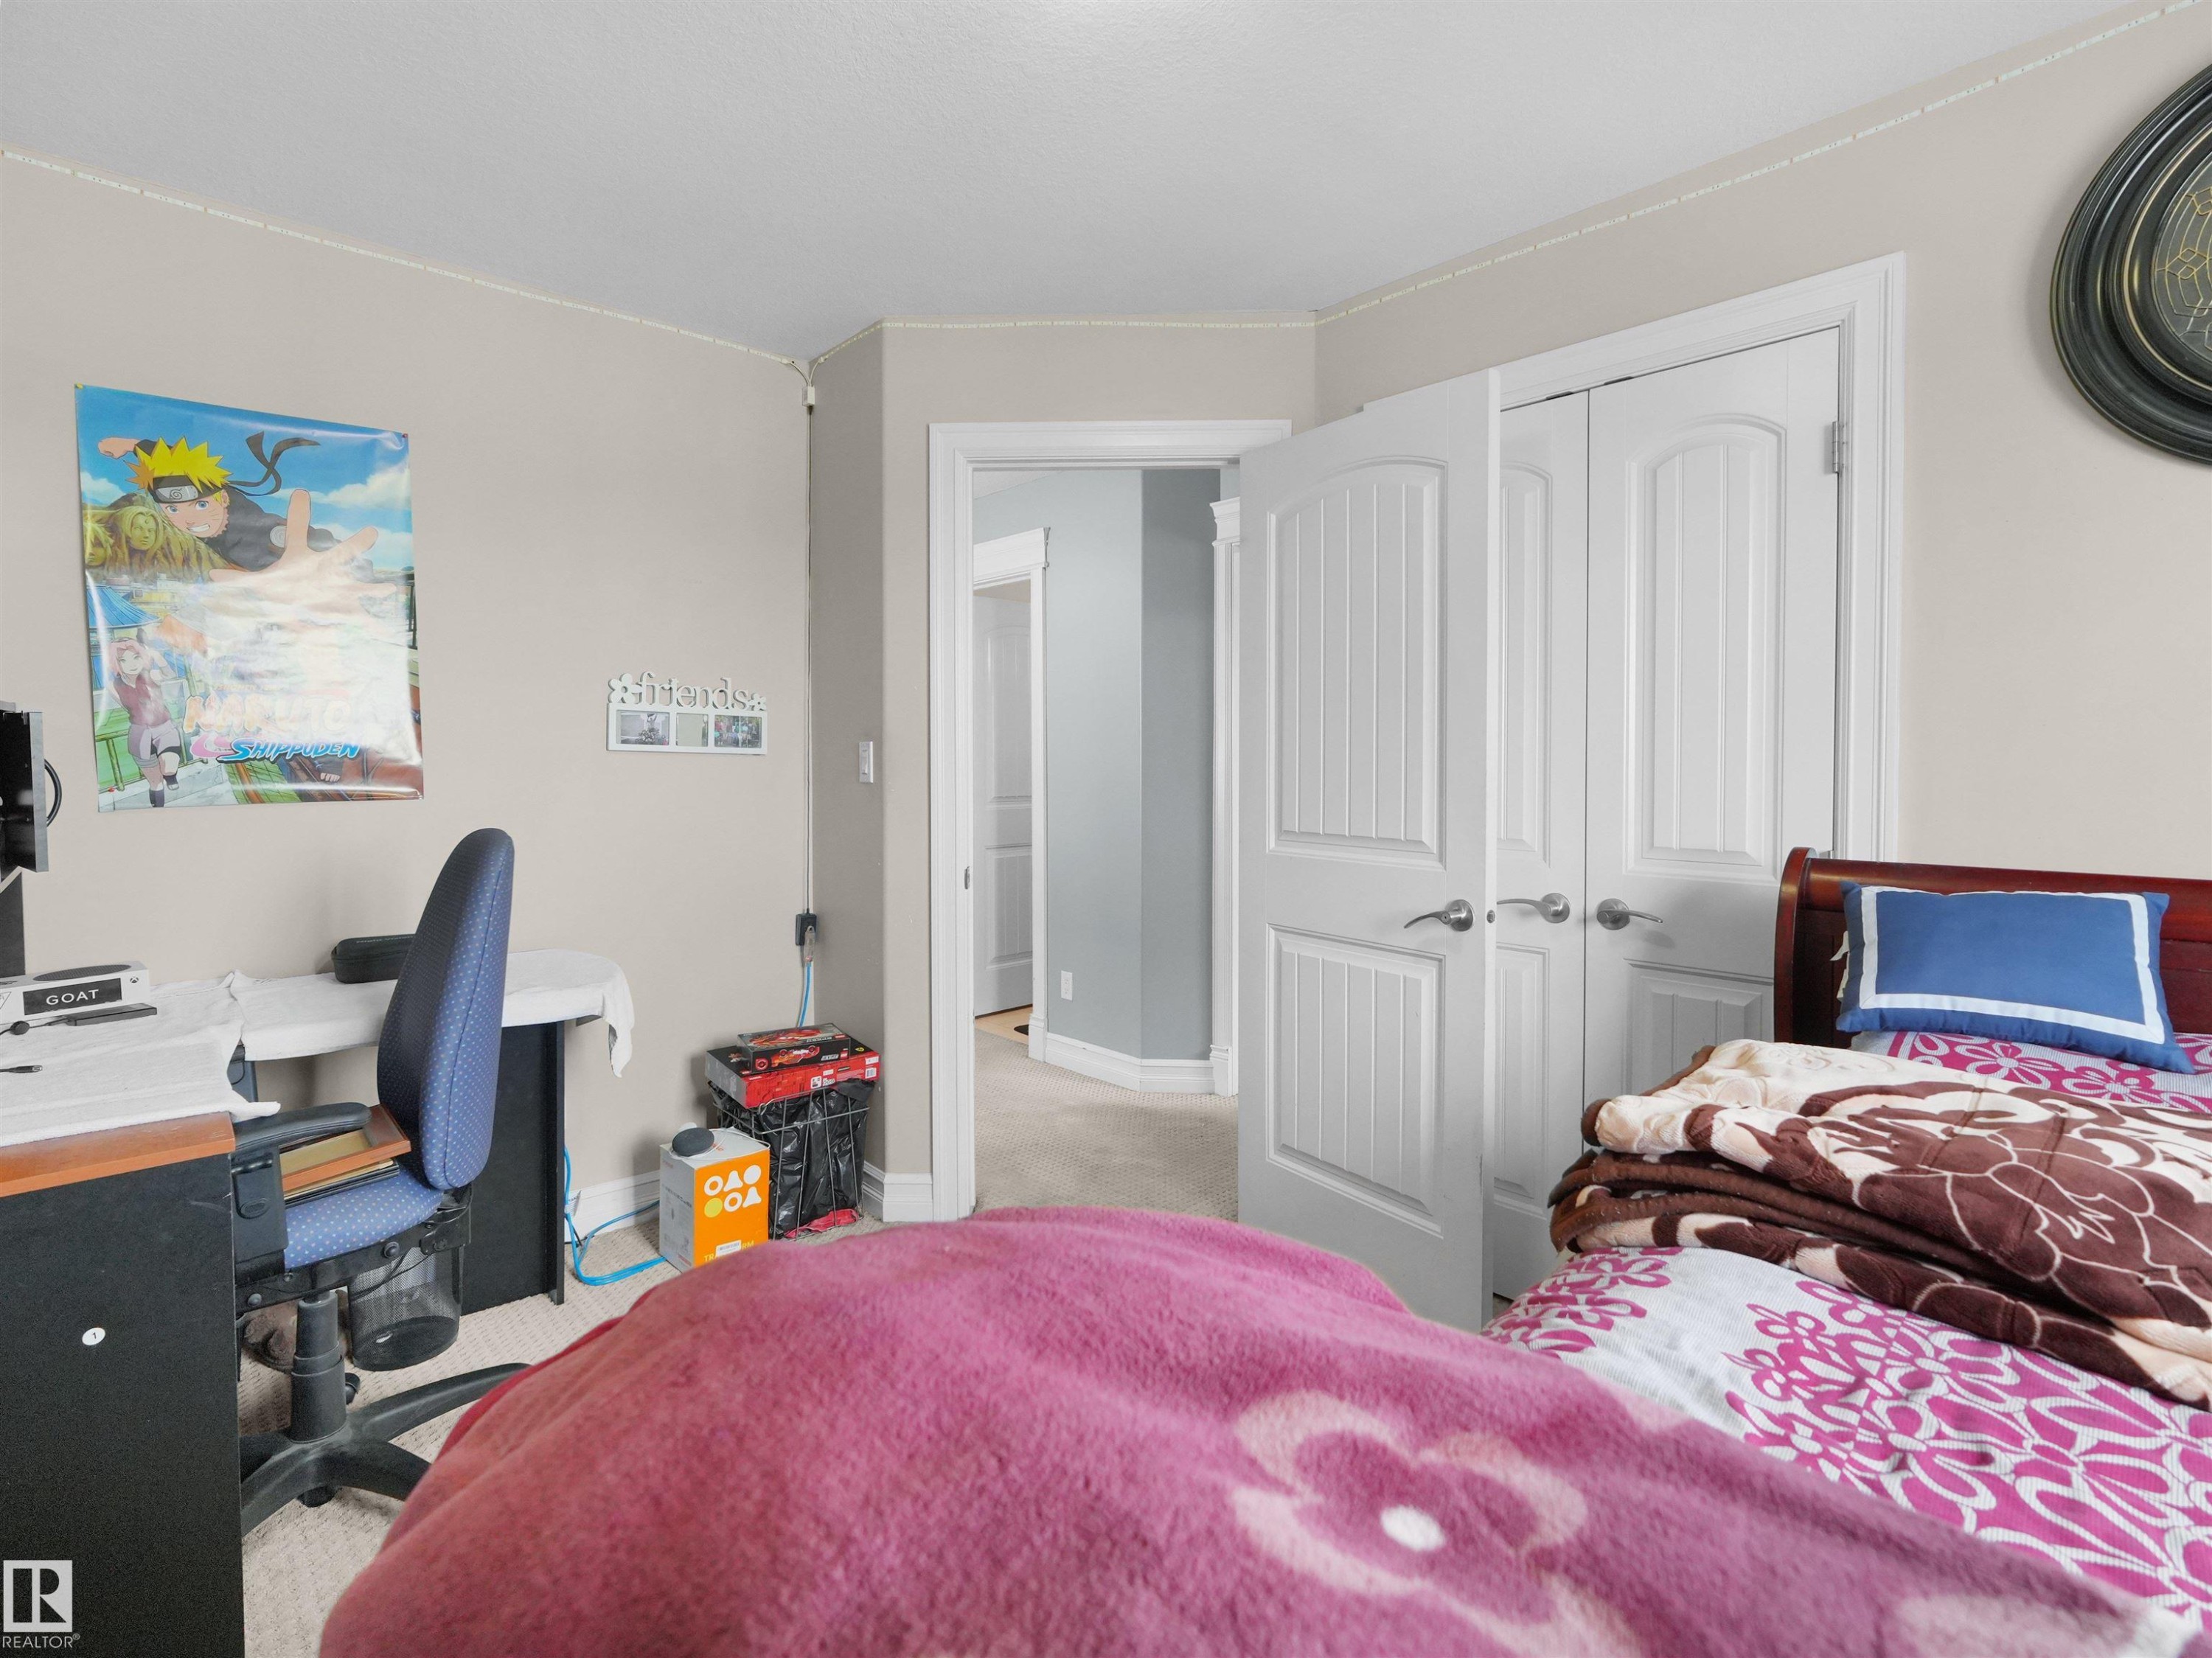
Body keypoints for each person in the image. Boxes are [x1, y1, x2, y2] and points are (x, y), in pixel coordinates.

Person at [94, 433, 379, 581]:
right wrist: (132, 446)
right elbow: (174, 460)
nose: (191, 519)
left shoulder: (256, 533)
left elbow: (315, 549)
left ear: (223, 498)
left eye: (201, 504)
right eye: (173, 510)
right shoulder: (210, 531)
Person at [107, 635, 184, 807]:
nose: (132, 664)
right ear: (116, 663)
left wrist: (158, 657)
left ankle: (171, 776)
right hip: (139, 733)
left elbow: (169, 674)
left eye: (136, 658)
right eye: (123, 660)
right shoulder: (114, 686)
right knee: (155, 781)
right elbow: (126, 706)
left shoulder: (152, 675)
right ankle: (158, 810)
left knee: (169, 767)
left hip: (164, 728)